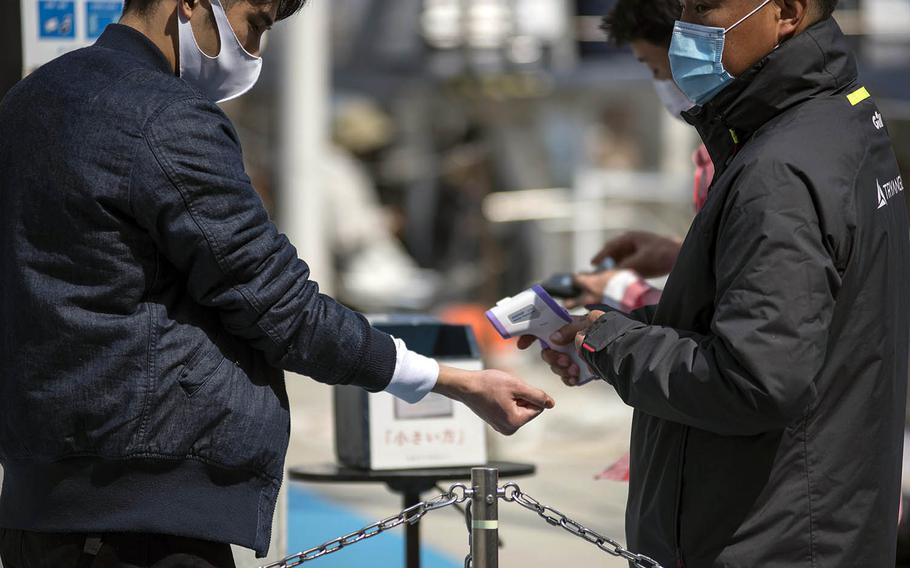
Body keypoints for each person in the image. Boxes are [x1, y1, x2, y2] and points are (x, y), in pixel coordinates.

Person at [0, 0, 555, 564]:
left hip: (37, 500)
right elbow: (280, 308)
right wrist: (452, 382)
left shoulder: (27, 100)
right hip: (144, 510)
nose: (255, 51)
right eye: (256, 25)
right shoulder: (167, 117)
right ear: (190, 4)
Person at [527, 0, 910, 565]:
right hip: (822, 520)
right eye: (681, 8)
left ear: (786, 12)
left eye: (703, 9)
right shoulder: (844, 117)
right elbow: (794, 321)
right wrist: (622, 330)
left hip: (766, 538)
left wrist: (609, 341)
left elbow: (755, 379)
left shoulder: (778, 168)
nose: (685, 29)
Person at [566, 0, 710, 313]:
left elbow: (732, 312)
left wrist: (623, 291)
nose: (660, 83)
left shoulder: (749, 156)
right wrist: (679, 255)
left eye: (657, 69)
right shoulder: (717, 151)